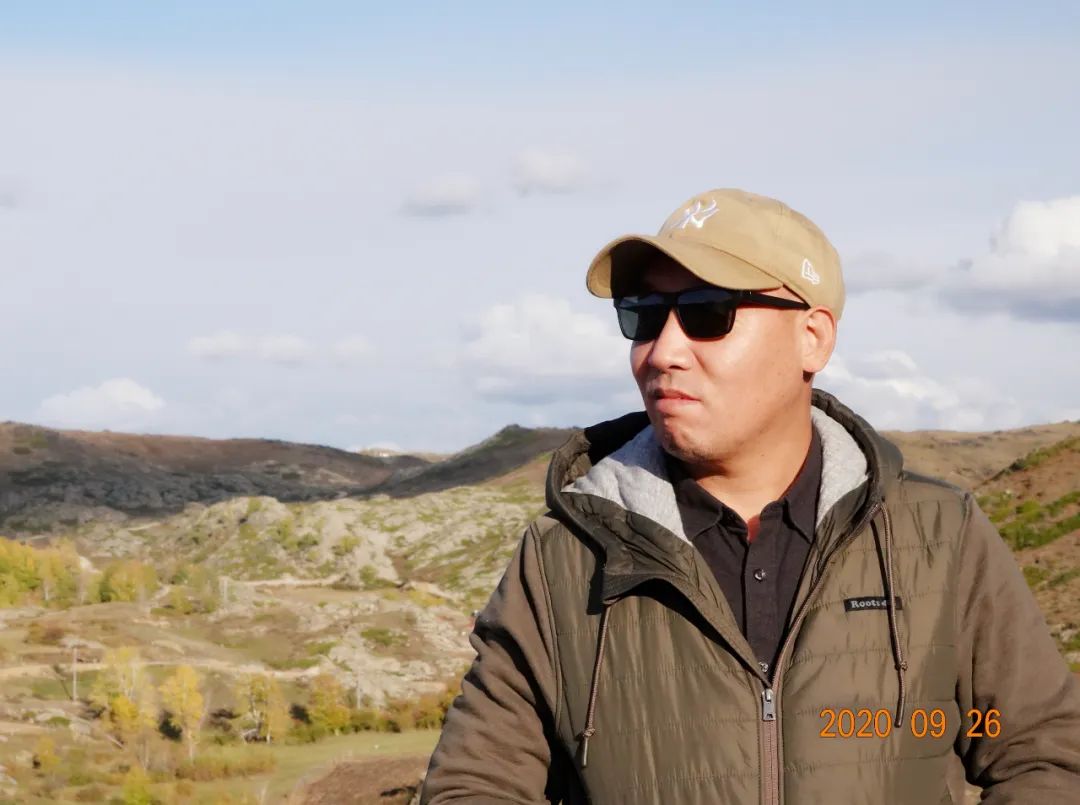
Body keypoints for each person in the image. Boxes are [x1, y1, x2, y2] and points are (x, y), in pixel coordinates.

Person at [420, 188, 1080, 803]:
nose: (663, 351)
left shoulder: (939, 535)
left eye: (708, 311)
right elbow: (473, 785)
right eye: (644, 315)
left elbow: (1044, 754)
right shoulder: (562, 559)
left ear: (812, 337)